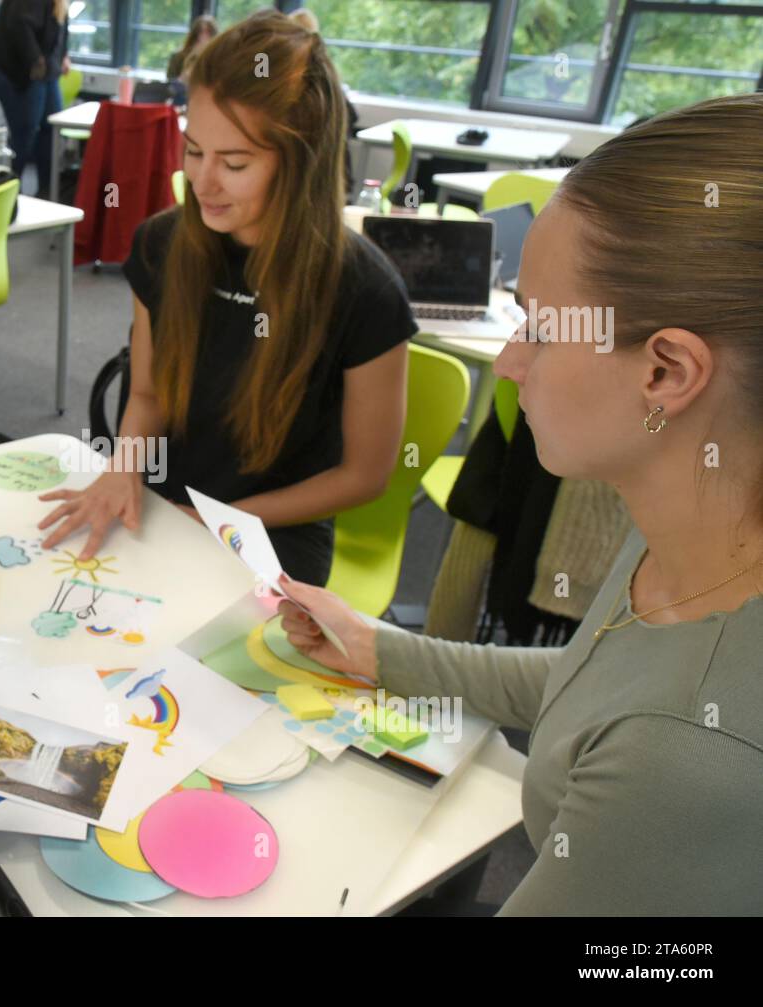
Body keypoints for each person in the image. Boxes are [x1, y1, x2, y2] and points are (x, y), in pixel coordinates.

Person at [277, 92, 763, 915]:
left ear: (666, 373)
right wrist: (381, 649)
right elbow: (592, 683)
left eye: (539, 325)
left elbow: (635, 726)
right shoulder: (695, 528)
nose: (508, 361)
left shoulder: (681, 752)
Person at [39, 12, 412, 585]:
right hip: (162, 505)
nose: (203, 181)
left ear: (301, 163)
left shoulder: (365, 291)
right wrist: (123, 470)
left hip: (275, 528)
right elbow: (146, 392)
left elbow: (364, 476)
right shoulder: (161, 245)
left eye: (235, 163)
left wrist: (220, 521)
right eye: (193, 151)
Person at [0, 0, 70, 199]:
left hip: (41, 65)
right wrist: (37, 60)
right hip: (9, 65)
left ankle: (48, 192)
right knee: (25, 127)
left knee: (52, 125)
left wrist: (62, 55)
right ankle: (7, 191)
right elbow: (19, 23)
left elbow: (61, 23)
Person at [167, 15, 218, 81]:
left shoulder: (217, 59)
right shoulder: (178, 56)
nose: (203, 37)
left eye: (208, 32)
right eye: (200, 32)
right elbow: (171, 82)